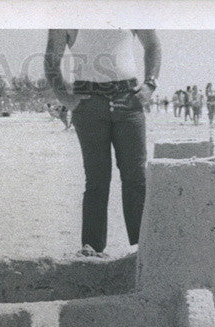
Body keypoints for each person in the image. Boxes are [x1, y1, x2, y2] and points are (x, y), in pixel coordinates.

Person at [45, 29, 162, 256]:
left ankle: (143, 251)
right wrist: (65, 97)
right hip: (88, 101)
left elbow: (153, 45)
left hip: (128, 97)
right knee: (97, 179)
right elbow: (51, 59)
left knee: (135, 177)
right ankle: (93, 251)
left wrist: (150, 85)